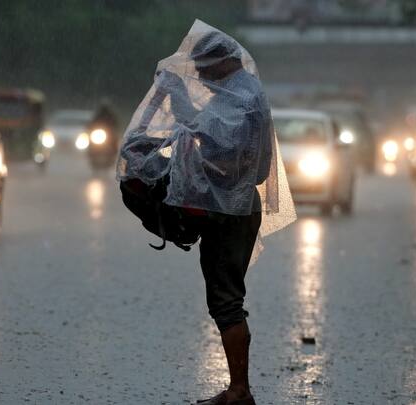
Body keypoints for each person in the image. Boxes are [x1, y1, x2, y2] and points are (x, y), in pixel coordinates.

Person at [117, 21, 295, 405]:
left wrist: (178, 96)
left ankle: (240, 390)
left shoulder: (242, 98)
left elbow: (217, 142)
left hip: (230, 213)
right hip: (230, 209)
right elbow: (210, 136)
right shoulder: (237, 93)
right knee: (225, 300)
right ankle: (237, 388)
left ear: (221, 63)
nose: (198, 73)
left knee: (226, 301)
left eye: (202, 66)